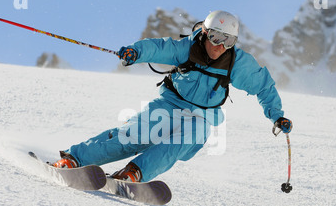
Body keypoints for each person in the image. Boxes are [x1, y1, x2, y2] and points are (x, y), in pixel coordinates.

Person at [52, 10, 293, 182]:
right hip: (169, 103)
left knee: (185, 139)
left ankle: (134, 172)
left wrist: (277, 116)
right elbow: (158, 47)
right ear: (206, 33)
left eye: (228, 41)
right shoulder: (187, 48)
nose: (220, 46)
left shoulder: (236, 63)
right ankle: (76, 158)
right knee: (136, 135)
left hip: (202, 115)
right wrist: (135, 51)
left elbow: (264, 86)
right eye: (216, 37)